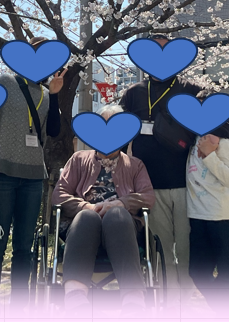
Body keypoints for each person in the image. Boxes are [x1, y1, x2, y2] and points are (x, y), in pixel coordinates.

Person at [0, 37, 65, 313]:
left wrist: (55, 94)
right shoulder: (5, 82)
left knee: (24, 245)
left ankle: (20, 307)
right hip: (3, 171)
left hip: (33, 175)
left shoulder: (45, 93)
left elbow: (54, 130)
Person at [120, 33, 204, 308]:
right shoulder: (133, 93)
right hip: (149, 184)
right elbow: (118, 133)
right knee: (160, 245)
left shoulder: (191, 89)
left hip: (185, 182)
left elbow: (217, 120)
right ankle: (167, 301)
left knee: (186, 244)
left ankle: (185, 301)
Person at [51, 104, 155, 315]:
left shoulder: (135, 165)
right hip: (83, 225)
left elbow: (148, 197)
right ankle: (75, 295)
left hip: (121, 227)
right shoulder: (78, 159)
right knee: (87, 216)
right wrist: (85, 206)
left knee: (116, 215)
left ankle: (133, 297)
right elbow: (59, 194)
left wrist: (121, 203)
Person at [186, 117, 229, 314]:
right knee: (197, 271)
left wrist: (209, 154)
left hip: (221, 216)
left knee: (227, 272)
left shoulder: (222, 144)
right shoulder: (191, 142)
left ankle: (226, 313)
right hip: (197, 215)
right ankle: (222, 308)